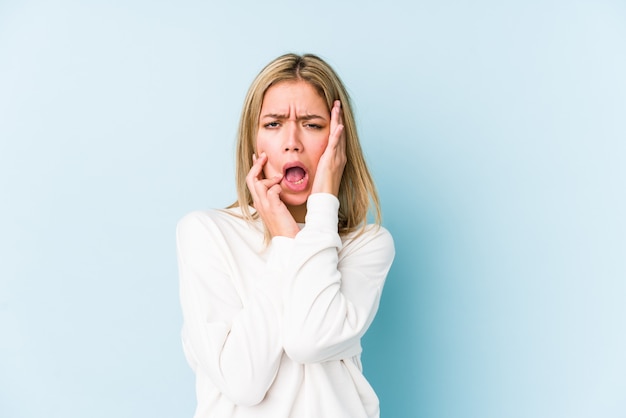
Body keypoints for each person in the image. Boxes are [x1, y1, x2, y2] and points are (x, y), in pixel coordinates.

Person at [176, 53, 395, 418]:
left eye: (312, 125)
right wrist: (284, 241)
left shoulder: (367, 245)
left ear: (338, 142)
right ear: (253, 139)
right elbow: (243, 381)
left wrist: (320, 211)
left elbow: (309, 340)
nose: (292, 142)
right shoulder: (206, 233)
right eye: (274, 124)